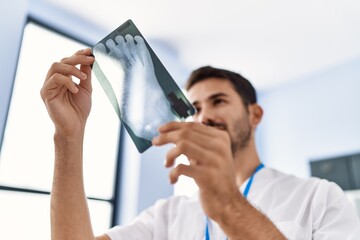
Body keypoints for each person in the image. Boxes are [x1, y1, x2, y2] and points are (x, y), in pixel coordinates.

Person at [41, 48, 360, 240]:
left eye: (218, 101)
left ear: (255, 114)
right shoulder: (168, 215)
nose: (204, 116)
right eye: (194, 109)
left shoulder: (319, 198)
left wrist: (230, 207)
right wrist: (68, 136)